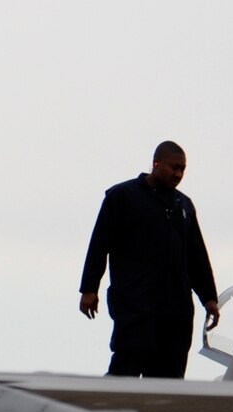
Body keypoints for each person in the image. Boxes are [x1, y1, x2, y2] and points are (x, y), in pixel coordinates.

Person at [78, 141, 221, 378]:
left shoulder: (184, 205)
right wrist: (89, 289)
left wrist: (209, 298)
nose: (178, 174)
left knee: (169, 378)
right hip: (136, 305)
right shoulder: (122, 197)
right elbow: (99, 243)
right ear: (156, 164)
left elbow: (196, 256)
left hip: (176, 311)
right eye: (174, 167)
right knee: (127, 367)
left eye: (182, 169)